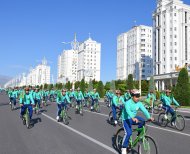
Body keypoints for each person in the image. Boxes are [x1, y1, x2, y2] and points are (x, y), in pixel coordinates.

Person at [121, 89, 154, 154]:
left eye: (138, 96)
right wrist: (132, 117)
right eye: (136, 96)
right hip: (126, 119)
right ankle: (123, 148)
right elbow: (128, 111)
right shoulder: (128, 103)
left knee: (142, 121)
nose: (138, 98)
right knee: (128, 133)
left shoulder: (139, 103)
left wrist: (149, 117)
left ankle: (138, 135)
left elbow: (144, 110)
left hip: (133, 118)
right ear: (132, 96)